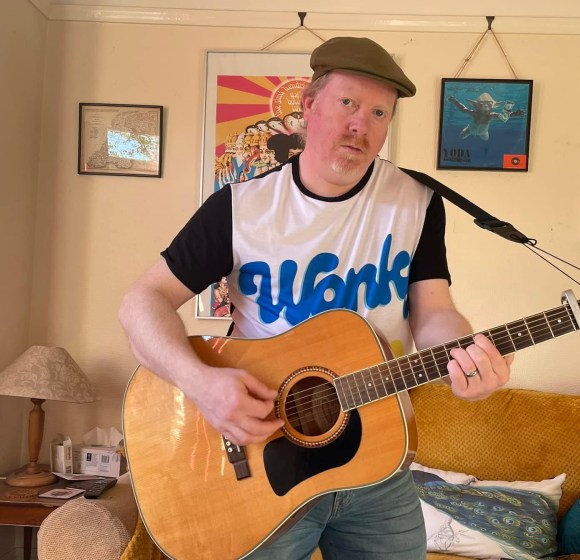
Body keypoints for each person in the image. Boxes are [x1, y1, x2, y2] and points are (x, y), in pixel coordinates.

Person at [119, 36, 513, 560]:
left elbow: (434, 311)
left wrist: (465, 358)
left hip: (378, 458)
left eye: (379, 113)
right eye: (348, 103)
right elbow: (141, 302)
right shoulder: (241, 206)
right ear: (308, 106)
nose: (361, 125)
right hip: (259, 455)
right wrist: (201, 383)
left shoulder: (418, 203)